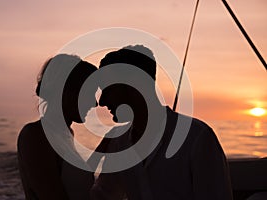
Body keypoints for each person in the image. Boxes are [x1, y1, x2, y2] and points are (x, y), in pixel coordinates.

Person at [89, 45, 233, 200]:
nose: (102, 101)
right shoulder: (118, 144)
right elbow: (103, 196)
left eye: (108, 89)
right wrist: (93, 161)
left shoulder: (198, 138)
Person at [17, 54, 97, 200]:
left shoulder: (66, 134)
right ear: (68, 92)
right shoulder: (35, 135)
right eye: (89, 93)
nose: (95, 103)